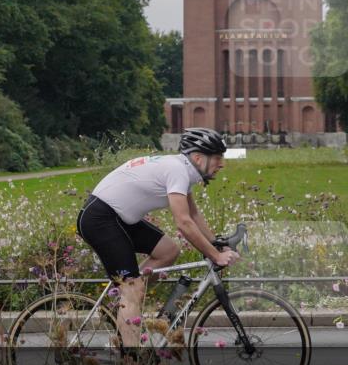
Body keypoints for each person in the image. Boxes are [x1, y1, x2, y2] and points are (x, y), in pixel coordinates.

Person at [76, 128, 239, 348]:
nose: (222, 164)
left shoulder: (184, 170)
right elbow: (183, 222)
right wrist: (215, 256)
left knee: (168, 251)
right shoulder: (177, 171)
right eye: (218, 157)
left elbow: (193, 214)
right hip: (100, 219)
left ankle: (121, 307)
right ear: (199, 158)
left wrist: (216, 243)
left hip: (118, 218)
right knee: (132, 290)